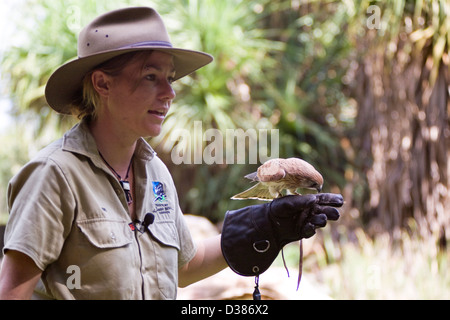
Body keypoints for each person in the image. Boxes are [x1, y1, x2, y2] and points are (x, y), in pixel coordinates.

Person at [0, 7, 343, 300]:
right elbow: (11, 292)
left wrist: (263, 226)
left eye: (170, 78)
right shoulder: (54, 175)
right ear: (103, 84)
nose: (169, 93)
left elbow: (183, 268)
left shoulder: (156, 173)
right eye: (151, 76)